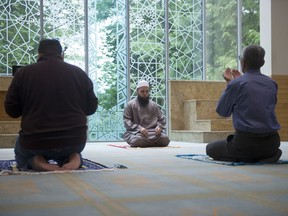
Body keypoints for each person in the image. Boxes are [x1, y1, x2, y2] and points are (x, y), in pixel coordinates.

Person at [4, 39, 98, 171]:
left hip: (35, 141)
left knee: (21, 155)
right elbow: (91, 108)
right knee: (70, 149)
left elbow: (12, 110)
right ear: (61, 54)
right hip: (74, 141)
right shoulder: (79, 73)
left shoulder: (23, 73)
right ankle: (74, 158)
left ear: (39, 54)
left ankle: (37, 161)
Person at [206, 45, 281, 163]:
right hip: (272, 142)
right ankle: (268, 155)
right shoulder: (272, 83)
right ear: (263, 62)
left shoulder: (237, 84)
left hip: (246, 143)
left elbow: (222, 111)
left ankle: (247, 156)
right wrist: (235, 83)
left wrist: (230, 85)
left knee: (210, 148)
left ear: (243, 62)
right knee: (269, 150)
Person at [122, 80, 170, 147]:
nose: (145, 93)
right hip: (137, 133)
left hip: (153, 132)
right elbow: (127, 121)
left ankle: (147, 143)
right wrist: (139, 128)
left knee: (165, 139)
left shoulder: (154, 105)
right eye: (142, 91)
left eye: (147, 91)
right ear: (137, 91)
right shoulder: (130, 105)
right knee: (137, 141)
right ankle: (151, 143)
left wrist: (159, 127)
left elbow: (162, 120)